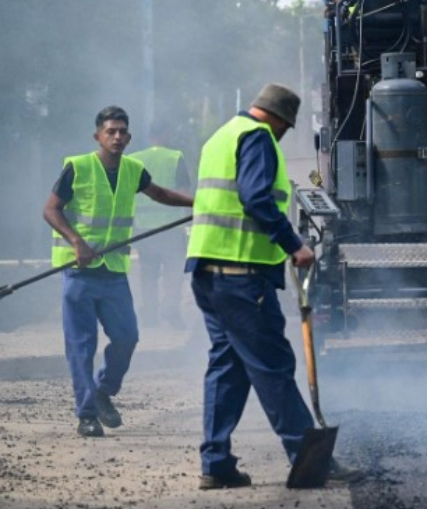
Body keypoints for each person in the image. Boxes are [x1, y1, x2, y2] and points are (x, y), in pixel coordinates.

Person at [186, 84, 357, 489]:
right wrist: (293, 244)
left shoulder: (221, 135)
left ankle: (216, 463)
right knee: (273, 366)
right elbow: (256, 198)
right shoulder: (258, 137)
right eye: (286, 128)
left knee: (226, 368)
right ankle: (307, 455)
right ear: (280, 120)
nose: (282, 135)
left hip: (209, 273)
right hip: (243, 276)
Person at [42, 106, 194, 438]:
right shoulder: (77, 167)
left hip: (113, 272)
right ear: (97, 135)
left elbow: (160, 194)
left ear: (129, 136)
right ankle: (86, 415)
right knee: (82, 346)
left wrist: (198, 203)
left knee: (128, 337)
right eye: (110, 131)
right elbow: (50, 209)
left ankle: (103, 391)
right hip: (79, 273)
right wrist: (76, 241)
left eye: (122, 131)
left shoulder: (133, 170)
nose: (117, 137)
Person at [127, 123, 191, 328]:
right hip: (171, 226)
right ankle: (170, 308)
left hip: (143, 226)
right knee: (173, 270)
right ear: (166, 133)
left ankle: (150, 315)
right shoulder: (175, 157)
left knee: (148, 272)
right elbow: (183, 192)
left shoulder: (134, 159)